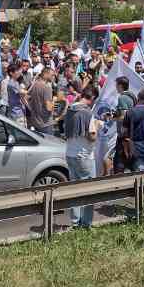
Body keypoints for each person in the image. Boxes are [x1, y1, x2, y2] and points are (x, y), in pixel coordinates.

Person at [63, 87, 97, 228]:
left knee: (74, 190)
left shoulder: (70, 110)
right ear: (92, 98)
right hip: (84, 156)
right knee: (89, 191)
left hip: (70, 153)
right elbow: (92, 136)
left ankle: (75, 222)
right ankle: (86, 223)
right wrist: (98, 127)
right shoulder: (88, 113)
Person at [27, 66, 56, 135]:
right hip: (45, 123)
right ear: (45, 74)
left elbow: (27, 97)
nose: (53, 77)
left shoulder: (35, 84)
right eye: (52, 75)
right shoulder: (47, 87)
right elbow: (49, 108)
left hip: (36, 121)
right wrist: (54, 100)